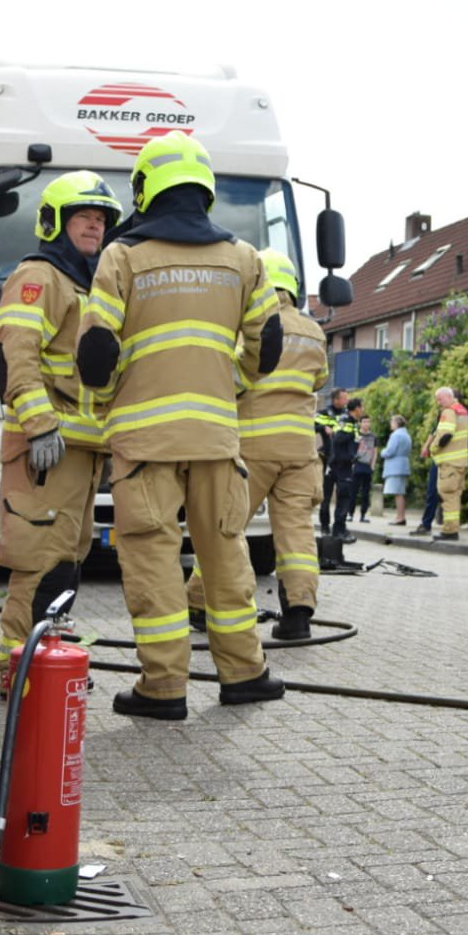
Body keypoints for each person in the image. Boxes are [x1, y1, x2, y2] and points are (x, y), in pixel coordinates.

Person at [77, 130, 285, 720]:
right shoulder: (244, 259)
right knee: (225, 554)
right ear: (205, 191)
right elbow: (265, 345)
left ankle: (163, 687)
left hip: (145, 444)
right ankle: (246, 674)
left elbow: (95, 353)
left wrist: (114, 396)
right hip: (218, 439)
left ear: (145, 188)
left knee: (153, 560)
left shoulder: (123, 257)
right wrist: (231, 386)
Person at [0, 170, 120, 697]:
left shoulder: (86, 283)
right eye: (84, 216)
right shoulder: (40, 276)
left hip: (81, 450)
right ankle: (16, 676)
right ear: (56, 223)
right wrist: (41, 425)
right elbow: (16, 351)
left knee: (66, 564)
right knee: (38, 562)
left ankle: (44, 666)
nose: (95, 226)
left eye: (101, 219)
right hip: (46, 449)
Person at [185, 249, 329, 641]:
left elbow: (232, 377)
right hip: (301, 451)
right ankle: (298, 615)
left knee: (225, 527)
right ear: (294, 288)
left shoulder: (247, 325)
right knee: (297, 534)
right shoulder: (315, 332)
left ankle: (198, 603)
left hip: (253, 447)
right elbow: (319, 380)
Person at [411, 386, 468, 541]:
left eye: (440, 398)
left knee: (448, 496)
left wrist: (433, 448)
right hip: (460, 462)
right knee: (454, 497)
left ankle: (449, 531)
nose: (438, 402)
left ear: (449, 396)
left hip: (449, 462)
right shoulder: (462, 411)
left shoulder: (449, 412)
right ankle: (452, 528)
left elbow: (445, 435)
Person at [328, 397, 363, 543]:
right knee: (344, 498)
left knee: (345, 498)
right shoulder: (347, 421)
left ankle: (340, 528)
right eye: (363, 407)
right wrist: (350, 455)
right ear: (357, 409)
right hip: (342, 466)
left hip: (345, 464)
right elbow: (338, 439)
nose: (364, 410)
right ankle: (338, 531)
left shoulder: (352, 423)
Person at [316, 387, 349, 535]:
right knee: (326, 496)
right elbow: (311, 425)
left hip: (344, 462)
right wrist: (324, 428)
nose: (346, 400)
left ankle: (340, 527)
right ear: (335, 399)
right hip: (328, 460)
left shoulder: (347, 414)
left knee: (344, 495)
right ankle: (324, 526)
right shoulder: (324, 413)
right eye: (344, 398)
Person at [379, 415, 412, 525]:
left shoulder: (396, 435)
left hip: (395, 466)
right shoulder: (406, 435)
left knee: (398, 493)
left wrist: (382, 452)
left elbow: (390, 451)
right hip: (403, 465)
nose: (391, 424)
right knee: (400, 492)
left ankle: (400, 517)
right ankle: (400, 516)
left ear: (397, 423)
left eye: (392, 422)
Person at [349, 415, 376, 523]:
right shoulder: (356, 434)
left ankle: (363, 515)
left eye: (368, 422)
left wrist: (373, 466)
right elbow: (351, 449)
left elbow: (375, 452)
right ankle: (350, 514)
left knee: (366, 493)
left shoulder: (373, 436)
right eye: (364, 422)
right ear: (360, 423)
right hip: (356, 465)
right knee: (353, 492)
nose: (366, 424)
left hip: (367, 466)